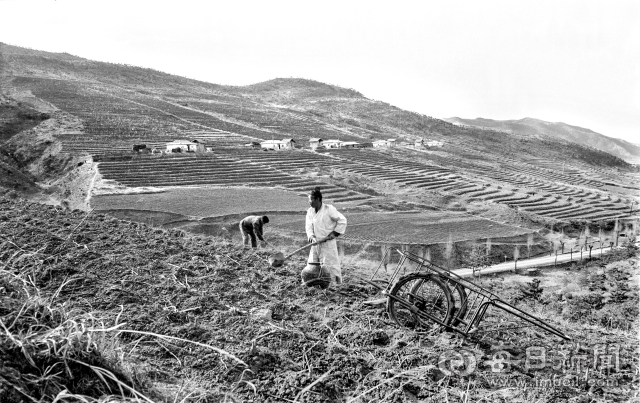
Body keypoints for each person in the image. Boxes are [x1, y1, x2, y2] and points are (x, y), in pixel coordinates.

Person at [305, 187, 347, 284]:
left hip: (327, 243)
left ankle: (332, 283)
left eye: (311, 199)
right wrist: (311, 237)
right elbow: (308, 226)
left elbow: (342, 221)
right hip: (315, 243)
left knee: (329, 265)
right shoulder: (310, 211)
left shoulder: (329, 209)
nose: (309, 202)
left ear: (318, 199)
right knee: (313, 263)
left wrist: (334, 234)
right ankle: (315, 282)